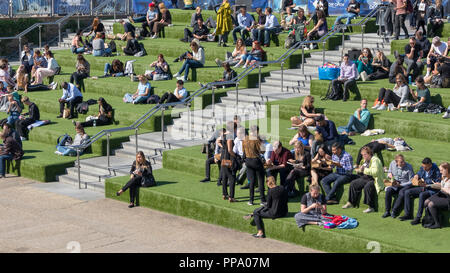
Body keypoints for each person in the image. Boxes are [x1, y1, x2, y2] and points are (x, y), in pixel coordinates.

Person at [397, 158, 441, 224]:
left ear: (430, 165)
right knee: (407, 192)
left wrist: (425, 181)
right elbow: (419, 173)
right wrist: (416, 176)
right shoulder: (423, 167)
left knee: (422, 195)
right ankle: (407, 214)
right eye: (422, 166)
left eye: (425, 167)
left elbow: (437, 183)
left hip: (432, 190)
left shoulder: (436, 170)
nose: (423, 168)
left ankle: (418, 217)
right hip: (423, 187)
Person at [342, 146, 385, 213]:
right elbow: (363, 170)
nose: (363, 156)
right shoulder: (365, 160)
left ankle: (371, 207)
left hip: (375, 179)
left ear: (370, 153)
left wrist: (364, 170)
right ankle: (351, 203)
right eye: (362, 155)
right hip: (366, 178)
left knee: (368, 186)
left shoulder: (375, 160)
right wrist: (359, 170)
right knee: (353, 183)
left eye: (365, 154)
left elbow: (375, 172)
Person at [242, 126, 266, 205]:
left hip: (248, 161)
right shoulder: (257, 139)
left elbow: (243, 151)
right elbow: (262, 151)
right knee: (261, 180)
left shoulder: (245, 138)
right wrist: (262, 142)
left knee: (251, 181)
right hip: (256, 161)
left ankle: (251, 200)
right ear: (257, 131)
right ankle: (262, 200)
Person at [423, 162, 450, 229]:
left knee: (431, 204)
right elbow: (442, 186)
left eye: (441, 170)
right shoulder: (444, 177)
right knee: (426, 202)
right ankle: (431, 220)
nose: (440, 172)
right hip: (441, 194)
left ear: (446, 169)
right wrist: (436, 185)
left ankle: (437, 223)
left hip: (448, 198)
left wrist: (442, 188)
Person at [220, 121, 237, 202]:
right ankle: (231, 197)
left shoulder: (223, 134)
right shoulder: (230, 136)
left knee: (224, 176)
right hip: (227, 158)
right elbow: (230, 150)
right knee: (232, 177)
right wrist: (236, 156)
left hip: (223, 157)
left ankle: (224, 194)